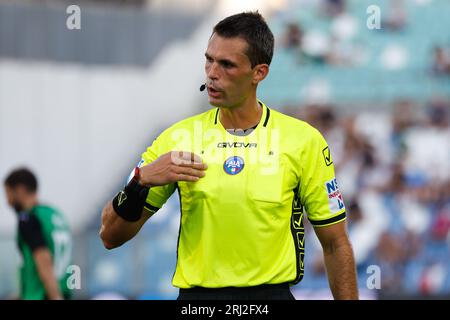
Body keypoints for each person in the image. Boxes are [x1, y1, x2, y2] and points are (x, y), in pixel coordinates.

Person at [99, 11, 358, 300]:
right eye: (209, 60)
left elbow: (335, 244)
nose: (212, 73)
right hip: (199, 303)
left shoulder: (302, 141)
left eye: (226, 65)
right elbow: (110, 236)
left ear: (259, 72)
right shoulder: (178, 139)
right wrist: (140, 181)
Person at [3, 168, 72, 300]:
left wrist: (55, 297)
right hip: (64, 291)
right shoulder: (55, 215)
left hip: (46, 294)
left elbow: (44, 261)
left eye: (8, 194)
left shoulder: (28, 219)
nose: (8, 202)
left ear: (20, 190)